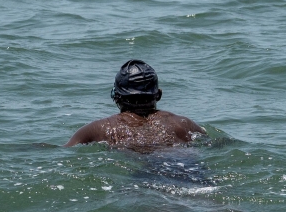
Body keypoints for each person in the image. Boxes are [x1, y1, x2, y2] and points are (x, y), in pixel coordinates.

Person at [64, 60, 205, 151]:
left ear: (116, 97)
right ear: (159, 95)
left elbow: (62, 152)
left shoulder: (100, 129)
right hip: (188, 167)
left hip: (145, 175)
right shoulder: (183, 124)